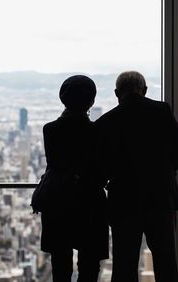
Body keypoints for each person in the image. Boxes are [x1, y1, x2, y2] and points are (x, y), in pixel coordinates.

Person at [96, 71, 178, 282]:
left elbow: (101, 167)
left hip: (124, 202)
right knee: (166, 262)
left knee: (124, 265)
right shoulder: (162, 111)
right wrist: (161, 174)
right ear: (144, 90)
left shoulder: (105, 122)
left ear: (117, 93)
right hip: (160, 199)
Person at [41, 75, 108, 281]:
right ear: (92, 101)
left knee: (60, 264)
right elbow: (102, 170)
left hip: (58, 200)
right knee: (89, 265)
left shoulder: (50, 130)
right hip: (90, 201)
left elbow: (54, 165)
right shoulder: (97, 132)